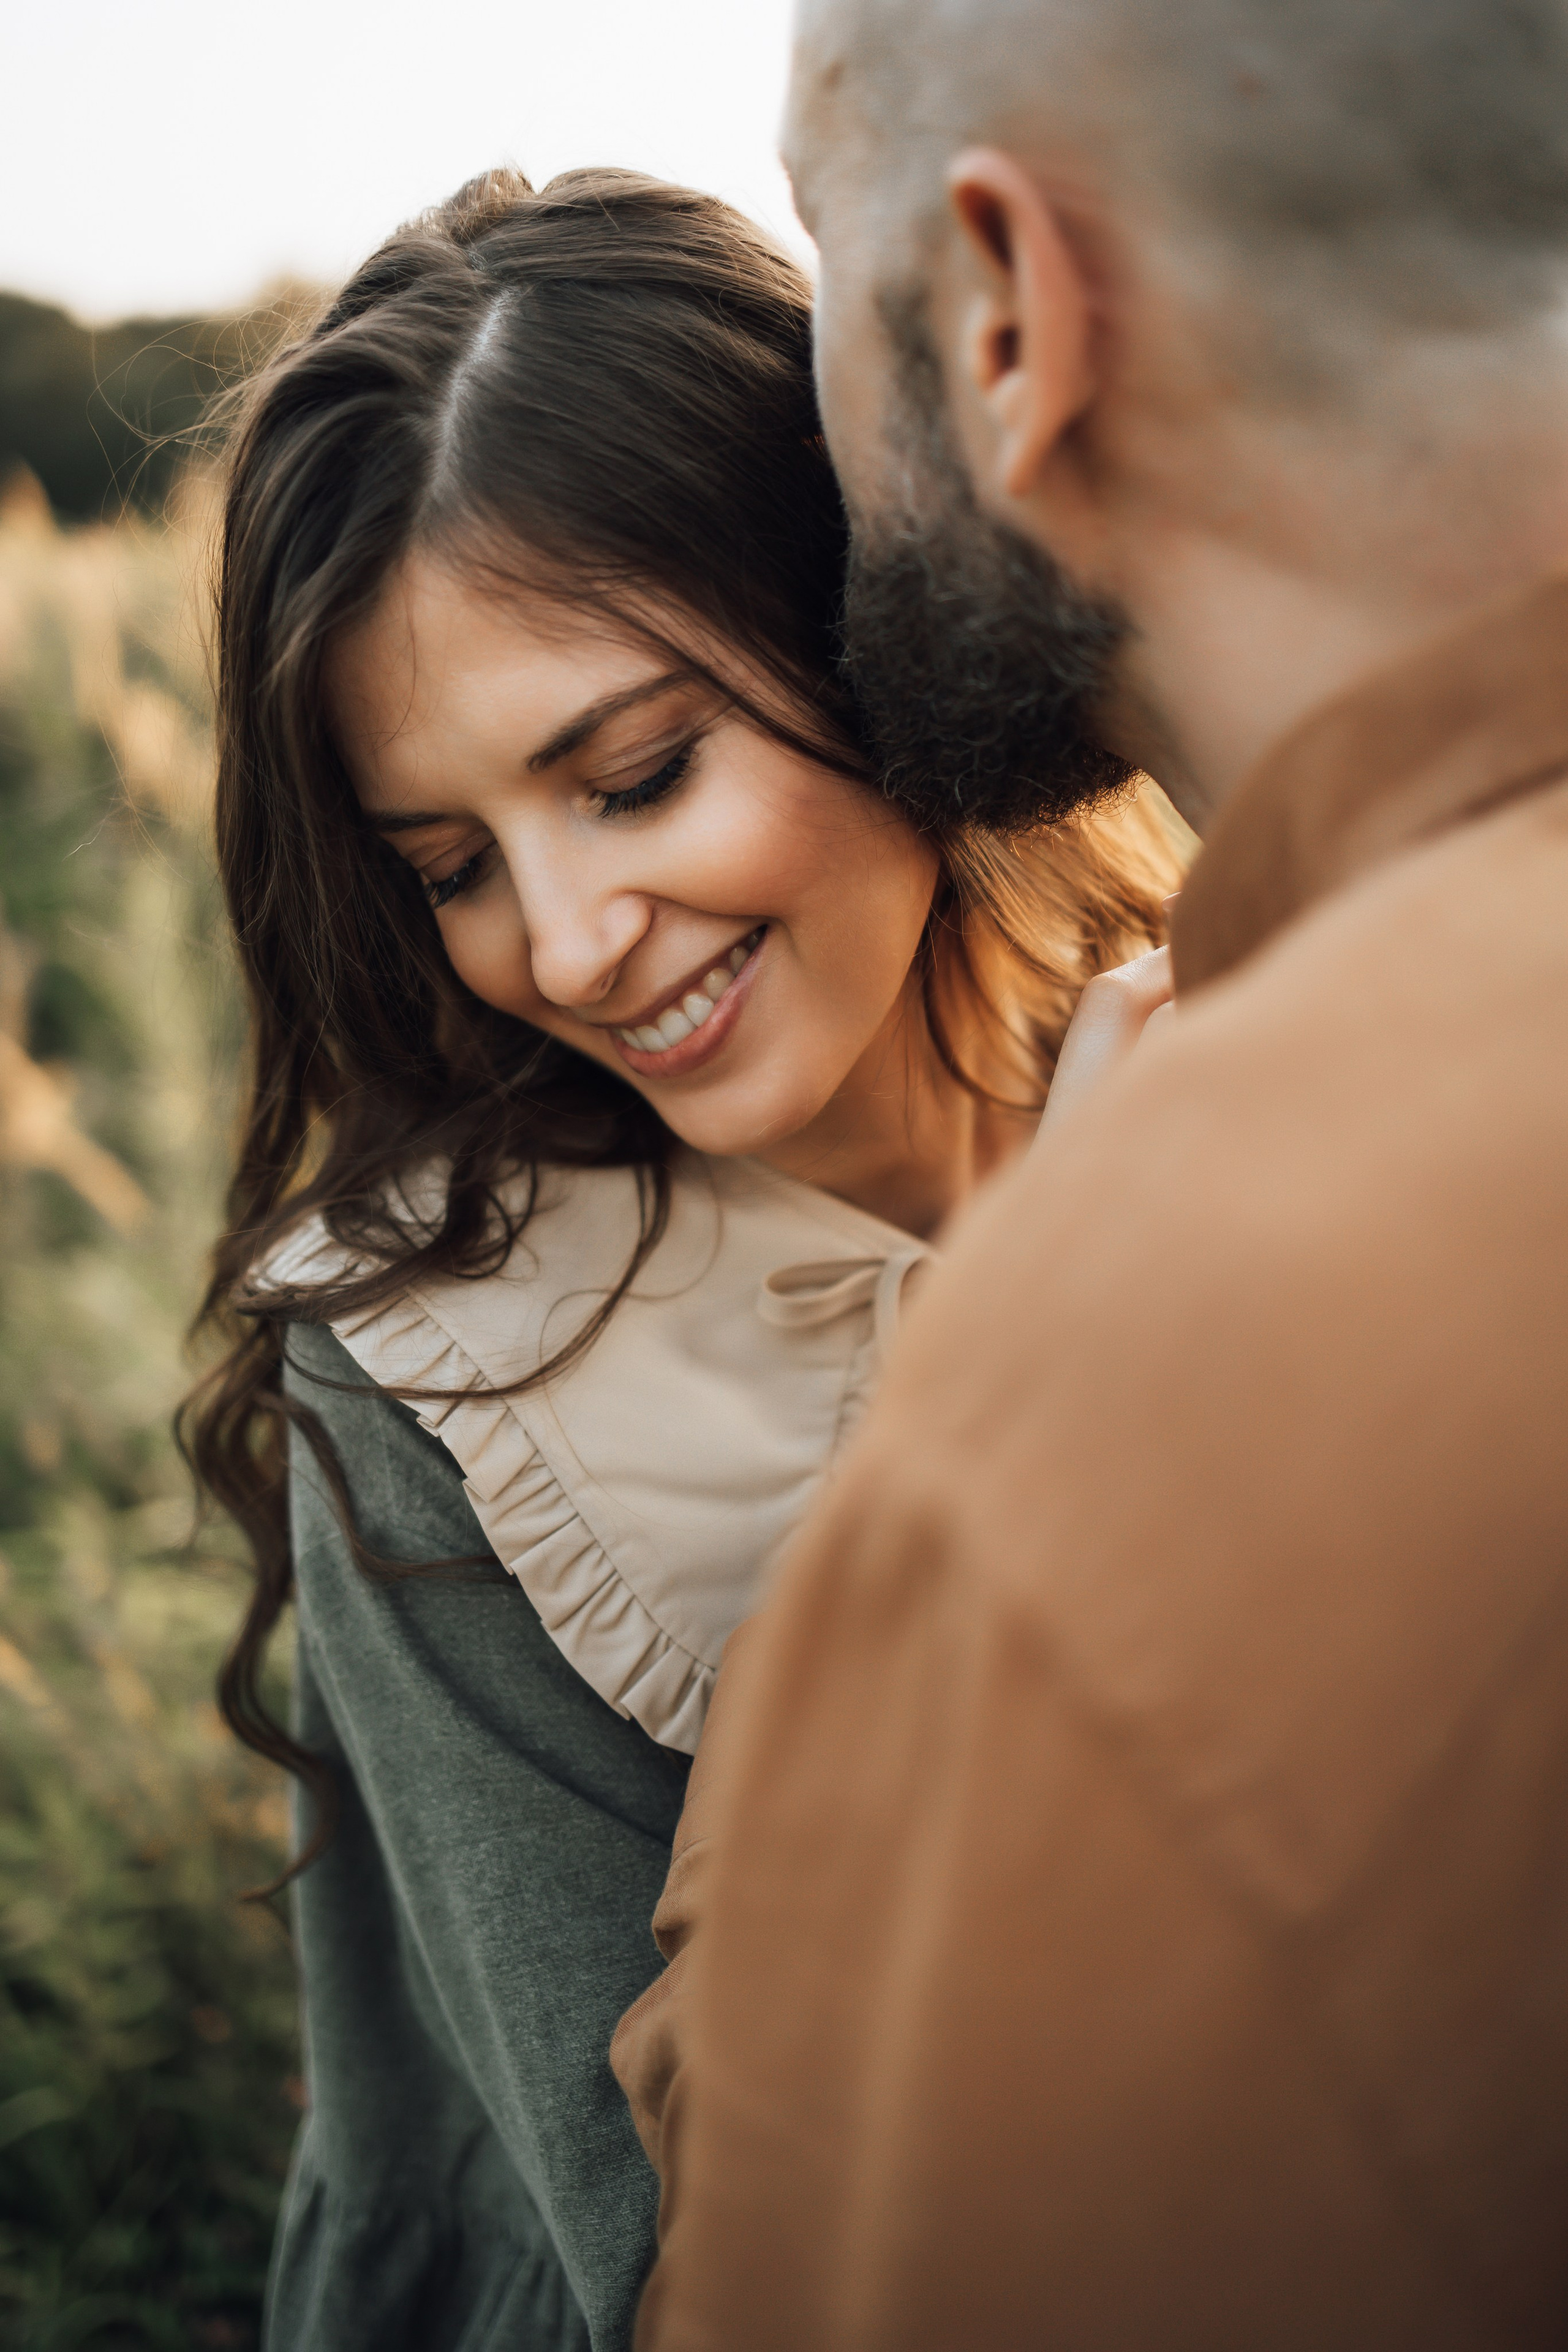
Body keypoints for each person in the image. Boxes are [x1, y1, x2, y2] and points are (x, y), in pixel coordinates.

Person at [627, 2, 1568, 2346]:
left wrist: (1022, 1338)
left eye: (834, 298)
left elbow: (797, 2254)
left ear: (1011, 316)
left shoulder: (1121, 1398)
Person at [181, 165, 1181, 2352]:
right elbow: (652, 2262)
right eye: (445, 864)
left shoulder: (1258, 1026)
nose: (556, 945)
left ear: (867, 616)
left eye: (633, 778)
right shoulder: (432, 1376)